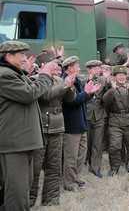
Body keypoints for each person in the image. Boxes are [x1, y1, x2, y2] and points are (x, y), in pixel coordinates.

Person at [0, 40, 57, 210]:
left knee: (22, 188)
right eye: (22, 55)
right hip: (14, 144)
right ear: (9, 56)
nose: (25, 58)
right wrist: (45, 74)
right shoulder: (4, 75)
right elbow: (30, 94)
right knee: (16, 193)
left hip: (22, 142)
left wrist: (30, 74)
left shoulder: (15, 74)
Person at [30, 49, 76, 206]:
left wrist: (70, 86)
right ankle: (29, 201)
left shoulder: (59, 80)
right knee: (35, 168)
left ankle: (51, 200)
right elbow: (45, 96)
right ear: (43, 65)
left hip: (57, 128)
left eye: (58, 65)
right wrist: (65, 86)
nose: (58, 68)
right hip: (41, 129)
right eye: (54, 65)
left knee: (54, 166)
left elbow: (70, 99)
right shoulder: (35, 79)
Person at [62, 56, 100, 191]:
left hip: (81, 123)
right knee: (71, 157)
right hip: (72, 125)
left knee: (80, 154)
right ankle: (69, 183)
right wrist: (87, 93)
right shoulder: (66, 81)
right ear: (69, 68)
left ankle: (76, 177)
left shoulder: (76, 80)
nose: (79, 67)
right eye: (76, 65)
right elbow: (72, 101)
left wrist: (88, 93)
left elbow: (81, 98)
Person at [102, 65, 129, 176]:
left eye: (123, 75)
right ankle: (114, 168)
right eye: (119, 75)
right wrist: (112, 89)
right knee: (114, 146)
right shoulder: (110, 88)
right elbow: (105, 101)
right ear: (114, 77)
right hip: (115, 121)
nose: (121, 77)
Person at [85, 60, 111, 178]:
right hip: (86, 115)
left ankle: (95, 168)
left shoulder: (104, 80)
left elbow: (109, 93)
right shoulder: (83, 80)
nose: (98, 70)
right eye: (95, 68)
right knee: (87, 143)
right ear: (89, 69)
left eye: (98, 68)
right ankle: (86, 163)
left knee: (97, 143)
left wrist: (107, 80)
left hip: (100, 115)